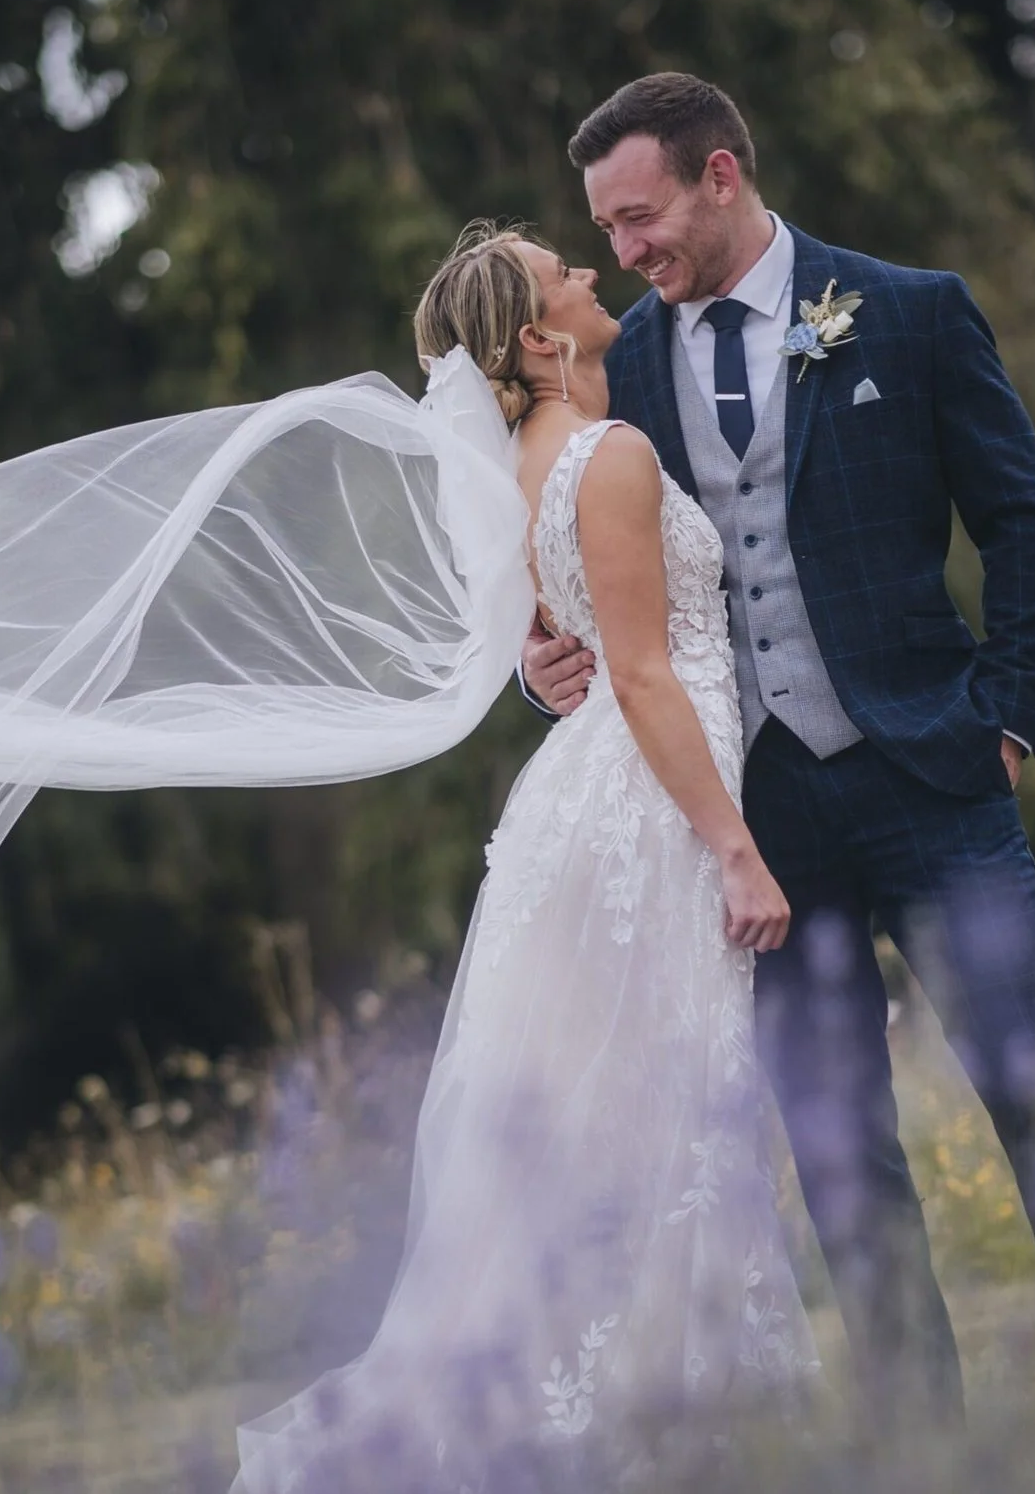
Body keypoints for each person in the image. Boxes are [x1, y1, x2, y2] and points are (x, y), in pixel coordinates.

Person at [522, 72, 1035, 1429]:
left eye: (639, 217)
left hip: (936, 775)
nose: (626, 253)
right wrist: (549, 665)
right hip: (756, 822)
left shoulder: (914, 310)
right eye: (605, 228)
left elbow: (1025, 524)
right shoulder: (620, 368)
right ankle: (920, 1433)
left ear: (720, 175)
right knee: (838, 1139)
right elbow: (595, 584)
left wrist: (1006, 714)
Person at [230, 224, 820, 1490]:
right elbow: (649, 674)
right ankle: (645, 1419)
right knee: (653, 1109)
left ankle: (644, 1408)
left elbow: (567, 639)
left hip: (597, 798)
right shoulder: (605, 457)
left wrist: (540, 658)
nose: (593, 274)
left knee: (619, 1112)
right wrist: (735, 850)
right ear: (540, 339)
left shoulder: (528, 457)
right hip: (645, 812)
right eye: (568, 273)